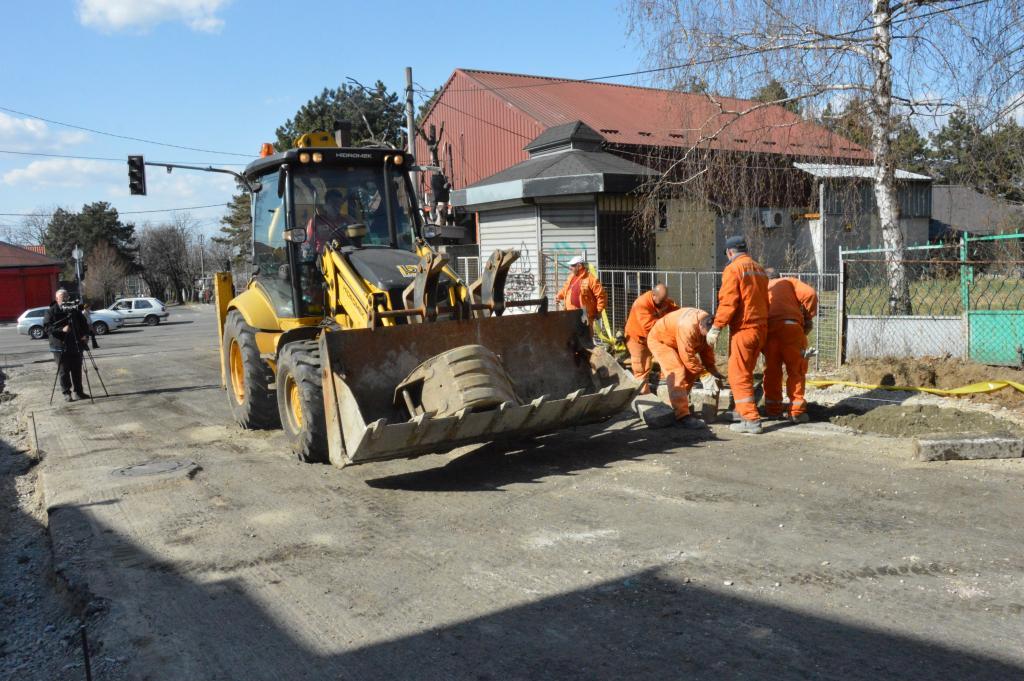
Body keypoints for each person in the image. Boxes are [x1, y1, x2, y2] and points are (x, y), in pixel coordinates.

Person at [707, 236, 769, 434]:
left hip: (744, 329)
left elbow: (728, 302)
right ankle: (740, 411)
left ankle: (750, 419)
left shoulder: (733, 269)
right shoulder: (759, 268)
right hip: (761, 329)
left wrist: (717, 327)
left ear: (729, 252)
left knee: (737, 375)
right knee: (746, 372)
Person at [647, 307, 724, 428]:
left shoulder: (707, 322)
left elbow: (706, 348)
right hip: (661, 341)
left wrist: (712, 370)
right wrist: (704, 375)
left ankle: (679, 404)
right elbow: (687, 356)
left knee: (692, 371)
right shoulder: (687, 327)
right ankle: (682, 416)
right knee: (677, 371)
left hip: (676, 341)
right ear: (701, 327)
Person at [763, 268, 818, 423]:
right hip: (791, 328)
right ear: (779, 276)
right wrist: (808, 317)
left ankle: (773, 410)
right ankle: (796, 412)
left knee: (772, 371)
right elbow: (810, 294)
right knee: (796, 370)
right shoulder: (789, 281)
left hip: (769, 331)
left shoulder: (762, 287)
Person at [624, 283, 679, 394]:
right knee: (641, 366)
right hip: (637, 338)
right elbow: (648, 325)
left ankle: (665, 383)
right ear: (653, 295)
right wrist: (667, 324)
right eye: (661, 301)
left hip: (652, 337)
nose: (664, 304)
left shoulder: (665, 302)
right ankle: (643, 394)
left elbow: (676, 312)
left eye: (665, 300)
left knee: (666, 357)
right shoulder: (641, 303)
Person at [43, 289, 90, 402]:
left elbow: (84, 324)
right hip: (59, 346)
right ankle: (66, 393)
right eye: (62, 296)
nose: (65, 298)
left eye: (66, 296)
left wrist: (85, 335)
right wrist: (61, 329)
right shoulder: (51, 311)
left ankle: (79, 392)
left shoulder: (74, 310)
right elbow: (47, 328)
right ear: (57, 298)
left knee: (77, 370)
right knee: (64, 371)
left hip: (76, 344)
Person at [555, 255, 607, 331]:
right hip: (570, 313)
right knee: (571, 336)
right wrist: (558, 296)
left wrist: (598, 311)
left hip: (584, 315)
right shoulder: (571, 277)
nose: (570, 267)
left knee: (585, 337)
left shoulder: (591, 279)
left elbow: (601, 296)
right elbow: (565, 290)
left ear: (579, 266)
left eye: (572, 265)